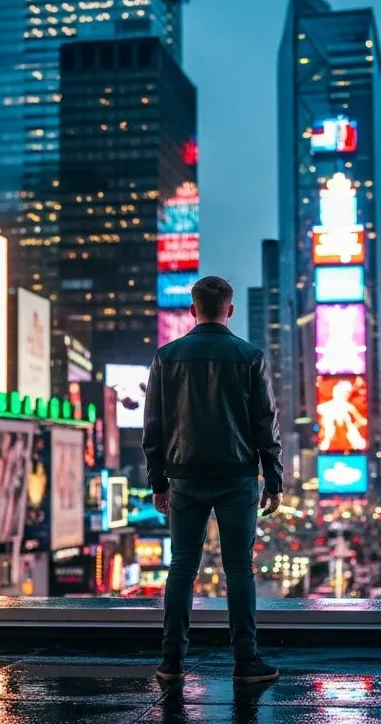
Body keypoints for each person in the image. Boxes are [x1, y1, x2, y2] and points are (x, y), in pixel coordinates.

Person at [142, 275, 282, 684]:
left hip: (184, 476)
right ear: (230, 310)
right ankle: (246, 660)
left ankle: (172, 661)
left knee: (182, 567)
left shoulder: (167, 357)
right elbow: (265, 423)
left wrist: (158, 481)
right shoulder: (249, 356)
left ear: (192, 309)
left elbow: (154, 426)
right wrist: (272, 478)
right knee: (239, 568)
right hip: (238, 476)